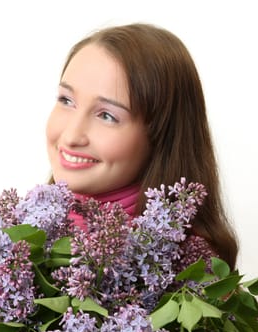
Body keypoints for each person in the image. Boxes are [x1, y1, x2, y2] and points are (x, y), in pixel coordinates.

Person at [45, 23, 239, 271]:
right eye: (66, 100)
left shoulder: (191, 280)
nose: (71, 136)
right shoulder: (17, 239)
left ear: (161, 137)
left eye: (107, 116)